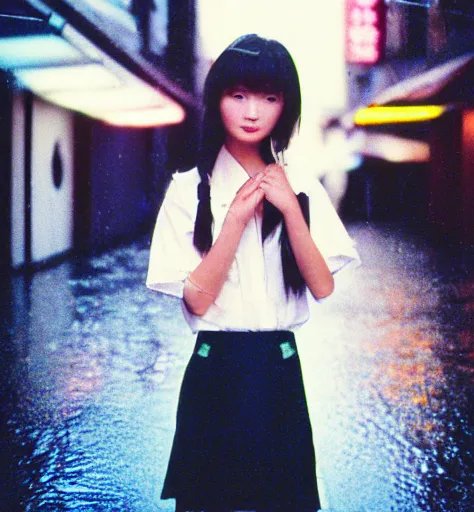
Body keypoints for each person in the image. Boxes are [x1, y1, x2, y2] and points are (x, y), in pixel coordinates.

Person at [146, 34, 360, 512]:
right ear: (217, 99)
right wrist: (237, 219)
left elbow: (323, 286)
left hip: (279, 366)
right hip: (214, 367)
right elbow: (196, 301)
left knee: (288, 502)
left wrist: (291, 210)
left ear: (285, 107)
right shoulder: (187, 191)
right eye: (238, 95)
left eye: (269, 97)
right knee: (206, 502)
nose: (251, 111)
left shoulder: (301, 185)